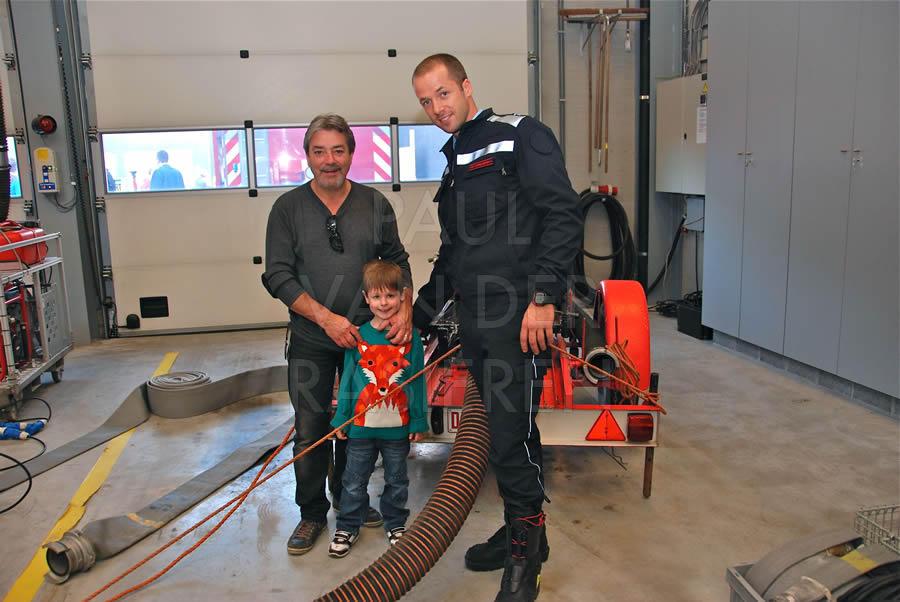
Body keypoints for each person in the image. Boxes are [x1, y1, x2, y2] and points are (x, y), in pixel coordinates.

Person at [410, 54, 583, 601]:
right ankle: (523, 532)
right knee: (513, 431)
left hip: (518, 318)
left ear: (466, 86)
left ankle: (524, 559)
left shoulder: (519, 135)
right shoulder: (455, 159)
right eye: (425, 101)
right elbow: (455, 254)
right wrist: (417, 318)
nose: (436, 108)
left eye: (443, 94)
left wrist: (544, 297)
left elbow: (563, 214)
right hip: (476, 321)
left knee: (508, 438)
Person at [262, 113, 413, 556]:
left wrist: (404, 306)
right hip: (312, 339)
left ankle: (350, 501)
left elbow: (398, 260)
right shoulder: (287, 209)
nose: (329, 160)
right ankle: (311, 514)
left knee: (356, 426)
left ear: (351, 154)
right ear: (307, 156)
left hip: (365, 342)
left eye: (338, 150)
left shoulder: (374, 204)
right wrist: (325, 318)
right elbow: (277, 275)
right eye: (319, 151)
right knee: (310, 429)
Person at [327, 260, 427, 558]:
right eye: (377, 296)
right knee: (353, 481)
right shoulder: (358, 337)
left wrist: (417, 421)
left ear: (402, 296)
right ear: (366, 298)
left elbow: (417, 381)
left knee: (397, 479)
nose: (384, 303)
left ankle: (395, 523)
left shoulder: (410, 337)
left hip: (397, 429)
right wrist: (342, 418)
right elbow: (347, 380)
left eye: (391, 296)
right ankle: (348, 526)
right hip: (361, 430)